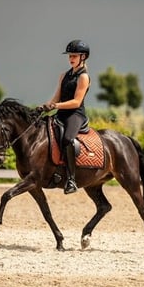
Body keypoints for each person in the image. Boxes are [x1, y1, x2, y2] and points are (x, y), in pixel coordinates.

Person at [43, 39, 91, 194]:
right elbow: (57, 96)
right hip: (61, 112)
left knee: (68, 139)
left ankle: (71, 179)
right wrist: (46, 105)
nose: (71, 58)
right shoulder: (63, 75)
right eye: (70, 56)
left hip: (75, 115)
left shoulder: (83, 77)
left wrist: (56, 106)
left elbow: (77, 102)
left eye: (74, 56)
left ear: (83, 57)